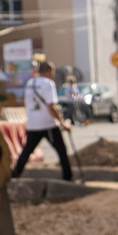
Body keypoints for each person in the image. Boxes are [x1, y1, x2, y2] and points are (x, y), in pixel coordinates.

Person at [12, 54, 73, 182]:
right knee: (62, 151)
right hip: (48, 124)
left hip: (33, 124)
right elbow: (51, 106)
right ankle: (68, 177)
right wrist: (62, 123)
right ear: (49, 72)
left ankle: (14, 175)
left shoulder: (30, 84)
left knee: (26, 151)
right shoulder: (48, 84)